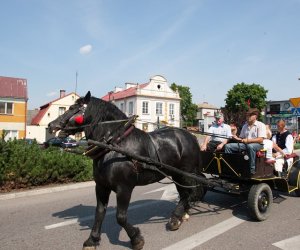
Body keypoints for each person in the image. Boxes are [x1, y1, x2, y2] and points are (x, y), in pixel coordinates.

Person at [224, 108, 266, 174]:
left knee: (250, 146)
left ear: (255, 116)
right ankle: (230, 166)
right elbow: (241, 138)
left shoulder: (261, 125)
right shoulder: (245, 126)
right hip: (245, 144)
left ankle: (252, 169)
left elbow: (260, 139)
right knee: (228, 146)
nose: (247, 117)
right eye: (247, 115)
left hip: (258, 145)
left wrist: (248, 140)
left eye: (249, 115)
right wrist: (236, 138)